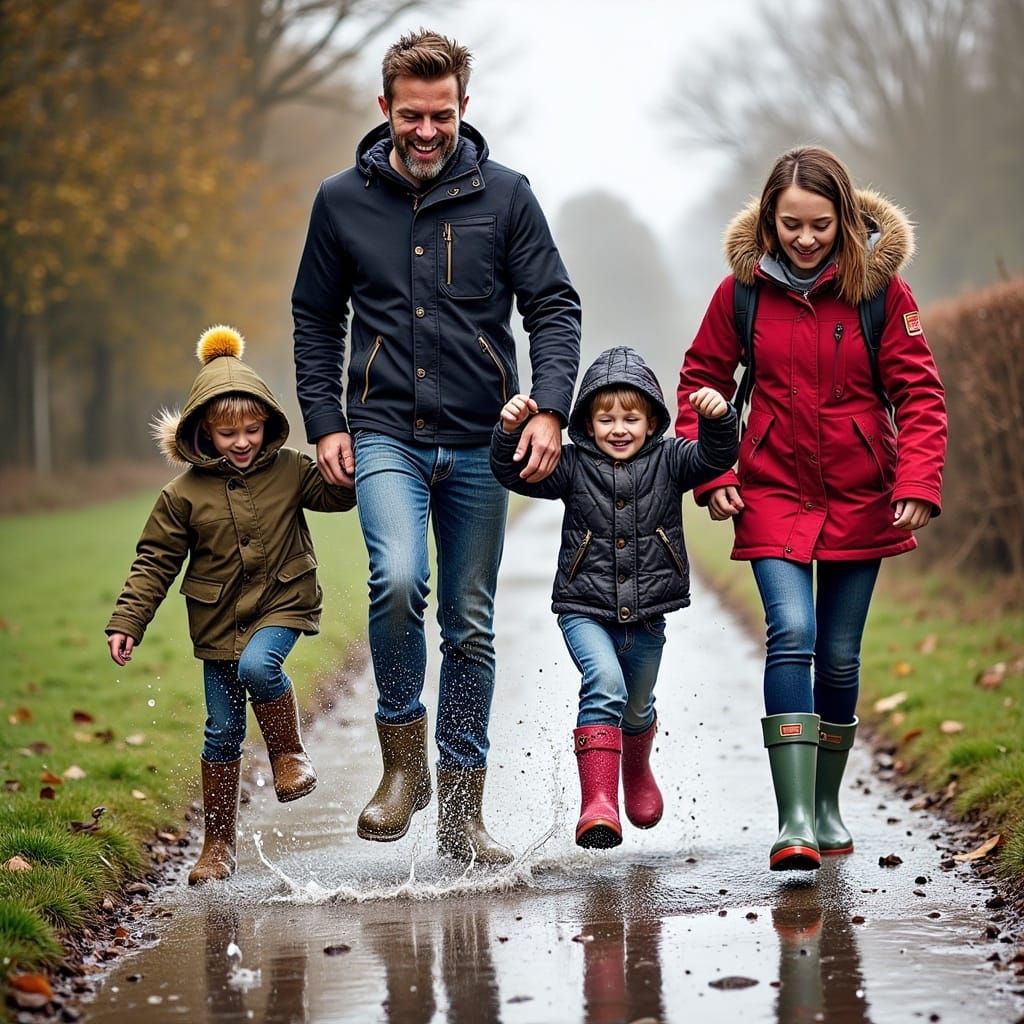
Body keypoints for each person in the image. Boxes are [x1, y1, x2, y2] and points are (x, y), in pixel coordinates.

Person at [291, 29, 581, 865]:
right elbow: (315, 318)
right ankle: (401, 766)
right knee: (397, 579)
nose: (427, 131)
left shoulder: (508, 197)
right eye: (411, 116)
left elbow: (553, 308)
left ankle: (462, 810)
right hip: (384, 432)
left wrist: (550, 409)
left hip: (482, 440)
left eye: (442, 115)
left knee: (472, 623)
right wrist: (326, 421)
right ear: (384, 109)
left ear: (463, 108)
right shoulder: (340, 199)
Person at [675, 146, 947, 871]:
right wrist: (713, 471)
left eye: (820, 225)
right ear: (769, 220)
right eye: (789, 224)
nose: (803, 239)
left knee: (841, 654)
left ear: (846, 219)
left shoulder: (883, 295)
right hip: (770, 490)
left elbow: (919, 396)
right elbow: (699, 381)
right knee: (790, 631)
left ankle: (826, 805)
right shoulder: (740, 293)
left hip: (862, 497)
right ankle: (793, 819)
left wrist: (917, 481)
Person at [105, 325, 355, 885]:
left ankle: (288, 754)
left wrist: (352, 461)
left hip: (284, 601)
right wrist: (127, 620)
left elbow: (336, 494)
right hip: (218, 621)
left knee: (259, 666)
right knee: (220, 732)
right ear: (202, 432)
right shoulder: (182, 496)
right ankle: (218, 846)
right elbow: (154, 562)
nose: (241, 441)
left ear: (266, 422)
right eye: (226, 433)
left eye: (251, 428)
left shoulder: (289, 469)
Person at [490, 347, 738, 847]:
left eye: (630, 418)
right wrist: (508, 432)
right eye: (605, 419)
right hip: (584, 609)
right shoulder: (572, 464)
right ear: (587, 421)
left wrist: (719, 419)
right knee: (604, 683)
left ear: (652, 422)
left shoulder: (671, 459)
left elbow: (717, 456)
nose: (618, 428)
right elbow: (513, 472)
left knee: (637, 704)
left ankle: (636, 770)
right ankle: (598, 805)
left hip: (648, 616)